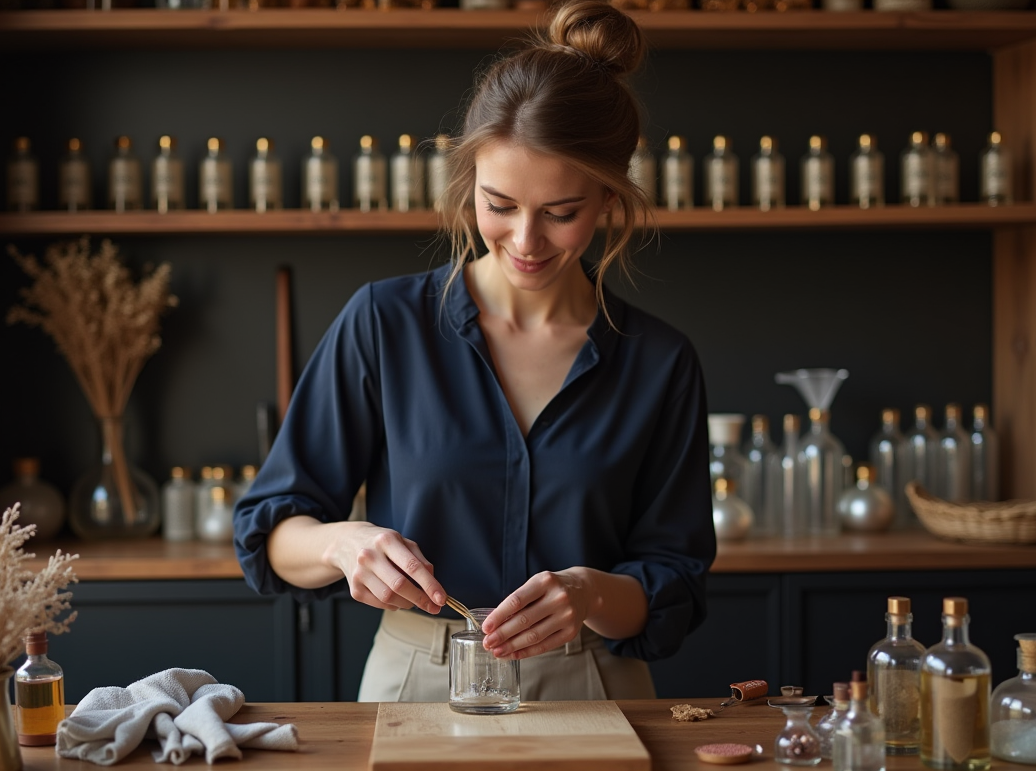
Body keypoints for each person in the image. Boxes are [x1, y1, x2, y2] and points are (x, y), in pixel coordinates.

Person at [234, 0, 716, 703]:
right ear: (468, 187)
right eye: (500, 205)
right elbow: (270, 533)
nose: (525, 240)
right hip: (414, 682)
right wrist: (341, 544)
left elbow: (676, 581)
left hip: (596, 685)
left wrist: (588, 593)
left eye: (561, 213)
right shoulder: (383, 322)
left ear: (610, 200)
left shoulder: (660, 361)